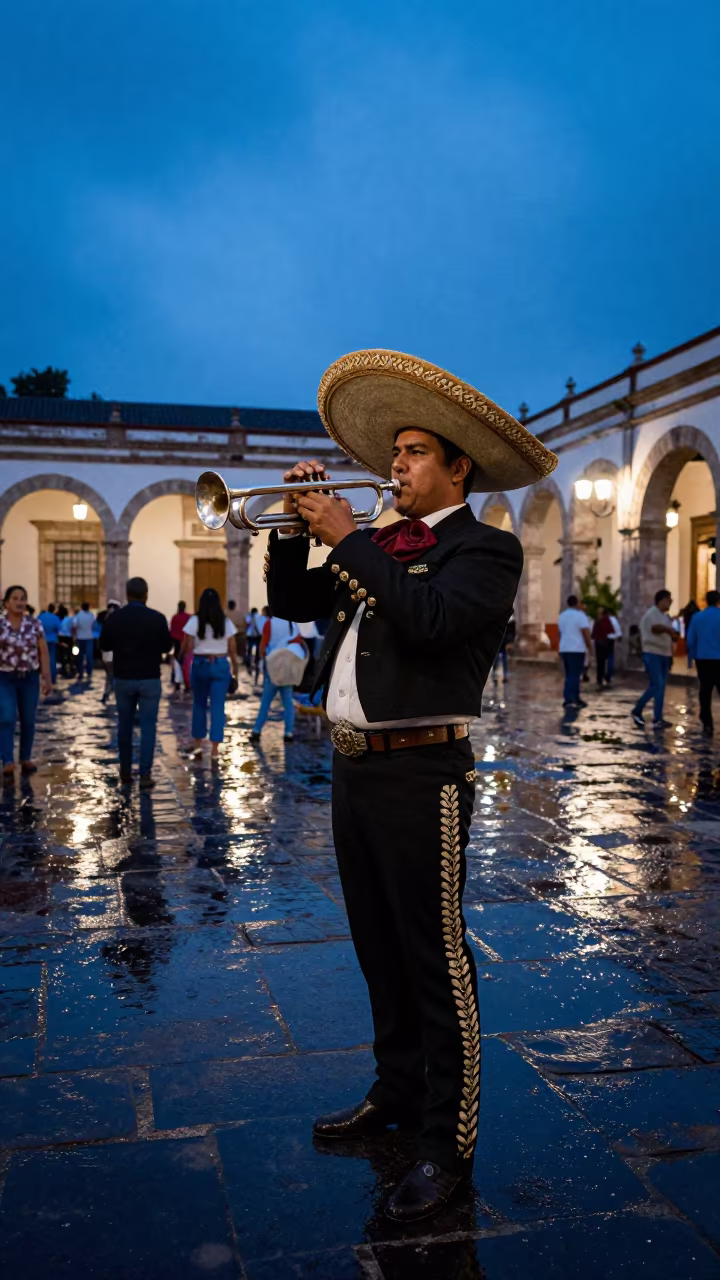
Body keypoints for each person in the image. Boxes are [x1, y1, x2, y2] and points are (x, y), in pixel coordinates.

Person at [265, 348, 555, 1221]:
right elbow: (297, 606)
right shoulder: (382, 545)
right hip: (353, 769)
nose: (396, 464)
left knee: (436, 962)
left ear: (457, 465)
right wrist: (290, 526)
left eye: (415, 450)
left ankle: (447, 1143)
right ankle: (393, 1093)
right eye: (394, 451)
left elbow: (428, 623)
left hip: (425, 772)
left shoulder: (485, 549)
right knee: (377, 950)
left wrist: (346, 535)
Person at [99, 577, 172, 787]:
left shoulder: (115, 618)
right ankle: (146, 774)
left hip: (123, 678)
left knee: (124, 725)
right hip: (150, 677)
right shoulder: (157, 618)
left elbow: (104, 644)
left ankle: (125, 771)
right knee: (149, 727)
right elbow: (167, 647)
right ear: (146, 594)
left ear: (127, 594)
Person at [0, 585, 52, 778]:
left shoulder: (34, 624)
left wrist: (47, 677)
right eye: (15, 598)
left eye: (23, 598)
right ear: (6, 603)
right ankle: (7, 760)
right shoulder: (0, 624)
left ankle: (25, 758)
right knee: (6, 718)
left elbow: (43, 651)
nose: (20, 602)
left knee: (28, 720)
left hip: (29, 677)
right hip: (5, 678)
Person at [180, 588, 239, 758]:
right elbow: (232, 648)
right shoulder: (226, 622)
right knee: (217, 707)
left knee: (199, 705)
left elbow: (188, 646)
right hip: (220, 664)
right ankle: (214, 750)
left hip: (200, 664)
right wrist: (235, 669)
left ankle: (197, 745)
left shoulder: (194, 621)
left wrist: (182, 657)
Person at [249, 613, 306, 742]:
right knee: (288, 702)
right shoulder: (293, 623)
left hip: (273, 665)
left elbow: (263, 646)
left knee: (266, 701)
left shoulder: (269, 623)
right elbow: (298, 641)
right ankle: (288, 733)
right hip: (288, 667)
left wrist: (263, 658)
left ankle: (257, 730)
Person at [631, 588, 676, 729]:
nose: (671, 602)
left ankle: (658, 718)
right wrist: (669, 630)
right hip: (652, 653)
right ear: (661, 600)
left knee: (661, 687)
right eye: (669, 599)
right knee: (657, 684)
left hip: (664, 654)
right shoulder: (652, 614)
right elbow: (655, 628)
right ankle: (637, 710)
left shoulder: (665, 616)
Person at [686, 590, 720, 735]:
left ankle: (707, 722)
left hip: (703, 658)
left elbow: (690, 639)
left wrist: (693, 655)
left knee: (705, 690)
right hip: (719, 659)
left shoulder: (697, 617)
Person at [557, 595, 592, 707]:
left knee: (569, 674)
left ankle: (573, 697)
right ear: (577, 603)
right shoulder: (580, 616)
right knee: (575, 674)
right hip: (576, 649)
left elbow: (559, 633)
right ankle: (571, 698)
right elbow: (586, 632)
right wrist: (590, 647)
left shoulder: (561, 616)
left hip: (564, 648)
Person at [37, 603, 61, 686]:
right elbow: (58, 628)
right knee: (52, 658)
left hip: (42, 639)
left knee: (42, 657)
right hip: (52, 639)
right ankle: (53, 677)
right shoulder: (55, 618)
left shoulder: (42, 616)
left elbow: (37, 626)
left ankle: (43, 676)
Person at [591, 606, 615, 688]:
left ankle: (600, 678)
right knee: (602, 661)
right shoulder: (604, 620)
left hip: (600, 642)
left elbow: (594, 633)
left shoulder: (600, 620)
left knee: (601, 661)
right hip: (602, 642)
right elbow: (610, 630)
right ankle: (600, 678)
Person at [169, 601, 190, 690]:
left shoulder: (174, 617)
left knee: (177, 662)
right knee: (186, 663)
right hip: (187, 642)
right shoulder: (189, 617)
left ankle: (176, 681)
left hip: (177, 641)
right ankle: (187, 683)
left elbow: (172, 631)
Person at [73, 601, 96, 680]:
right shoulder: (91, 616)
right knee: (89, 656)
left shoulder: (78, 615)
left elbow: (74, 626)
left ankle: (80, 673)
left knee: (80, 657)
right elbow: (93, 626)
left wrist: (74, 636)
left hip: (80, 638)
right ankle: (89, 672)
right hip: (89, 637)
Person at [492, 611, 515, 681]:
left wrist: (510, 642)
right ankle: (495, 675)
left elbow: (512, 633)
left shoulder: (511, 621)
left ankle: (504, 676)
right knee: (496, 660)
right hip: (499, 642)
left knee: (503, 660)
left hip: (504, 642)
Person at [244, 607, 262, 674]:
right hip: (257, 635)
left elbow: (247, 624)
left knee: (249, 650)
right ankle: (256, 663)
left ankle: (248, 663)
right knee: (257, 649)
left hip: (249, 635)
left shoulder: (248, 616)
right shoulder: (259, 616)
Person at [606, 611, 622, 684]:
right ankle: (610, 675)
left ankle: (602, 675)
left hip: (602, 639)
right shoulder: (613, 619)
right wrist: (619, 637)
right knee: (610, 657)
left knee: (602, 658)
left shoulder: (601, 619)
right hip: (610, 640)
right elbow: (618, 631)